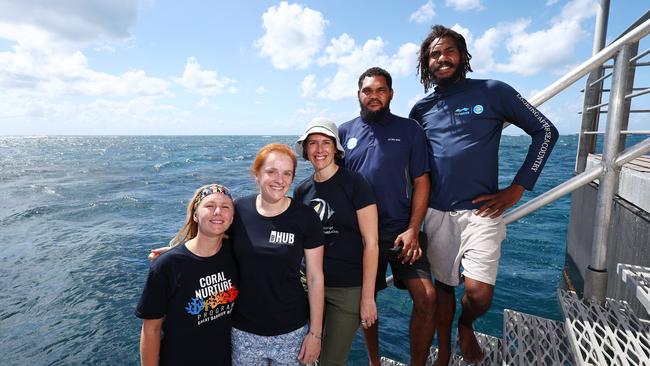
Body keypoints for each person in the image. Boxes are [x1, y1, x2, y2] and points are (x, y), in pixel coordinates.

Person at [409, 25, 559, 365]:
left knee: (478, 295)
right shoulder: (420, 110)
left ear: (462, 56)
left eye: (448, 51)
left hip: (482, 213)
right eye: (434, 54)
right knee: (444, 287)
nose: (442, 58)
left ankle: (466, 324)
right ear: (425, 63)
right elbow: (413, 168)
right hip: (435, 213)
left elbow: (546, 131)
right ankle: (445, 350)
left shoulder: (493, 91)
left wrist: (518, 187)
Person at [338, 67, 435, 366]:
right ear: (359, 95)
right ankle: (374, 362)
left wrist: (414, 228)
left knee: (427, 297)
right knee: (366, 303)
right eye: (368, 91)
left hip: (401, 233)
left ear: (391, 93)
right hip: (360, 237)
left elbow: (422, 181)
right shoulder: (344, 132)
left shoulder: (410, 130)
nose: (374, 96)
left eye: (380, 90)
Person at [230, 143, 325, 366]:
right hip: (243, 331)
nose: (279, 180)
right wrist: (179, 251)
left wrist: (315, 334)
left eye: (286, 173)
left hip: (291, 331)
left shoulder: (306, 218)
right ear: (257, 174)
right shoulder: (239, 210)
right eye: (271, 171)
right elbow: (212, 240)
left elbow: (315, 278)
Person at [293, 117, 379, 365]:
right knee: (303, 357)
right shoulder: (302, 191)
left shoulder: (355, 184)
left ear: (336, 148)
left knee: (331, 361)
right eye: (313, 143)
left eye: (325, 143)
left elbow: (371, 242)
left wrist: (367, 297)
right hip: (306, 286)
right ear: (306, 150)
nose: (319, 149)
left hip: (347, 289)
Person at [136, 183, 239, 365]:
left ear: (232, 217)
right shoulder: (167, 265)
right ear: (195, 215)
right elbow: (151, 330)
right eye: (209, 206)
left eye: (225, 207)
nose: (218, 212)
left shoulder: (237, 254)